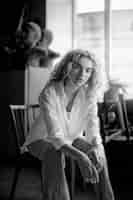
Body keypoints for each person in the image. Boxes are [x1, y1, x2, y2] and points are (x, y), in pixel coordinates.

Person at [22, 49, 114, 200]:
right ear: (67, 66)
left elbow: (93, 130)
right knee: (54, 152)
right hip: (41, 139)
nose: (82, 74)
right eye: (77, 67)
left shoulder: (89, 95)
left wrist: (96, 147)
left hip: (72, 138)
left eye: (88, 70)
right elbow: (55, 137)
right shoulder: (50, 92)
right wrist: (81, 157)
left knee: (99, 151)